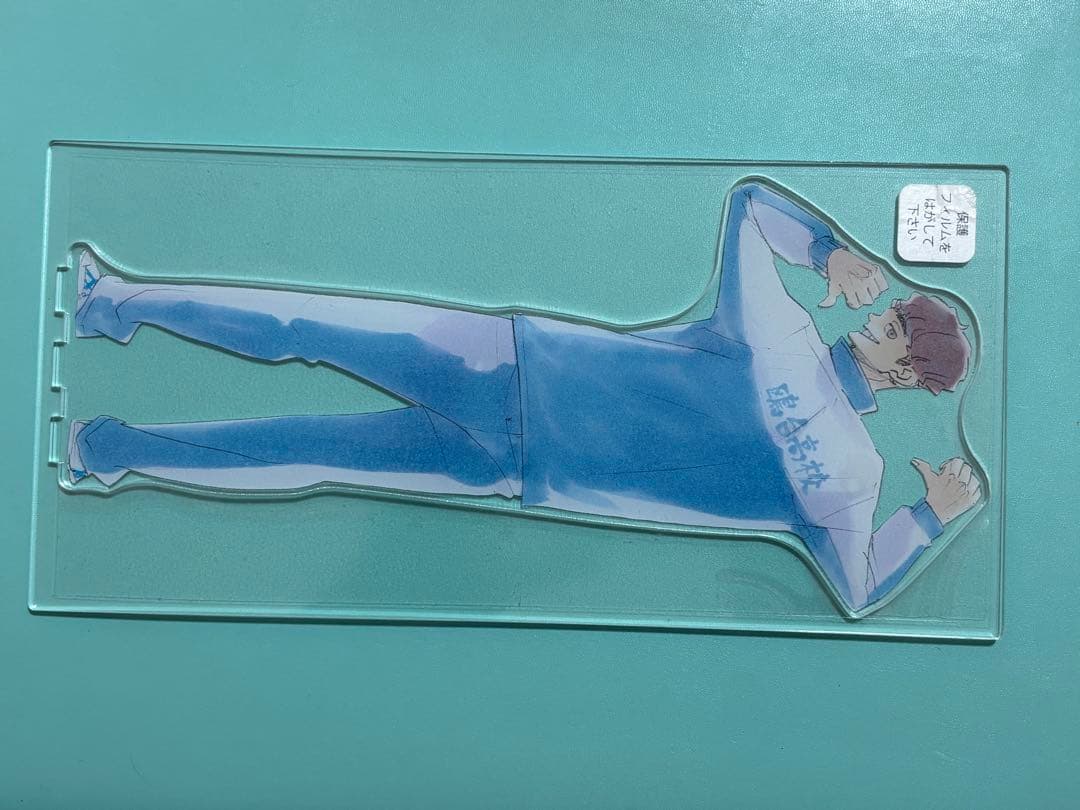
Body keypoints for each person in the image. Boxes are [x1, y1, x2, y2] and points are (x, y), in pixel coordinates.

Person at [67, 180, 980, 612]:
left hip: (512, 406)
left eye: (898, 329)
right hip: (514, 398)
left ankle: (108, 372)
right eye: (894, 311)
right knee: (310, 393)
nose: (881, 318)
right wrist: (928, 518)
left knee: (309, 402)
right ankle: (106, 388)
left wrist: (826, 251)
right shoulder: (841, 457)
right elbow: (746, 205)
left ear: (908, 373)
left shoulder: (813, 400)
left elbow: (857, 586)